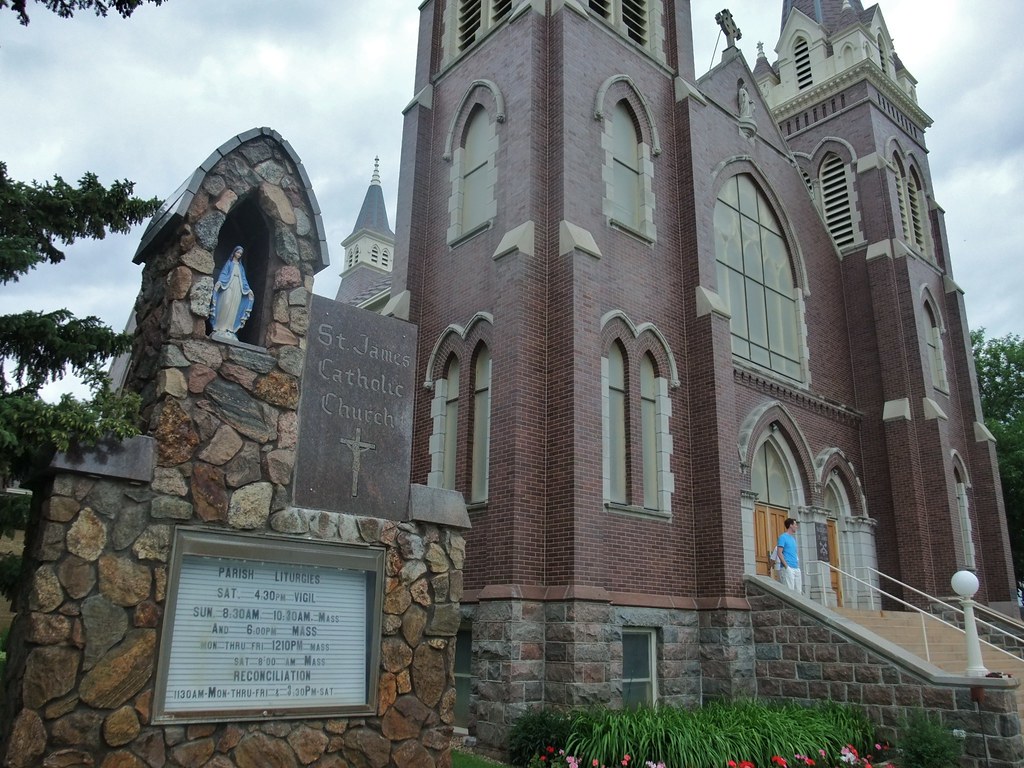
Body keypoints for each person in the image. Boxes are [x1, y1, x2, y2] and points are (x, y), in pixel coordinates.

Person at [210, 245, 255, 339]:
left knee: (234, 307)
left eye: (240, 254)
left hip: (237, 288)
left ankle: (229, 328)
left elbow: (243, 279)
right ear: (234, 252)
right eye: (237, 252)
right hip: (228, 286)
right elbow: (223, 273)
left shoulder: (241, 267)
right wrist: (219, 282)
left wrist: (248, 290)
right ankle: (220, 327)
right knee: (226, 303)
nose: (238, 255)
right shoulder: (229, 263)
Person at [776, 518, 802, 594]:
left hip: (796, 568)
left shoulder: (793, 539)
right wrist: (786, 567)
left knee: (798, 592)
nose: (796, 526)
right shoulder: (783, 537)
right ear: (791, 525)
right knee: (789, 592)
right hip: (788, 568)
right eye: (795, 524)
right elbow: (779, 553)